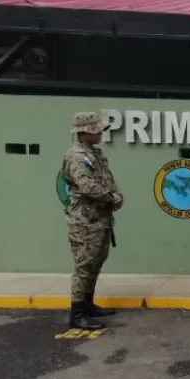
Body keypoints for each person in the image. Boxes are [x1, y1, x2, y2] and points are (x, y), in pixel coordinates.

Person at [60, 112, 123, 330]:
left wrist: (116, 194)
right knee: (84, 265)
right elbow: (87, 186)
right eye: (96, 130)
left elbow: (108, 179)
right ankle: (77, 313)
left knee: (96, 260)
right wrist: (111, 197)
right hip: (85, 220)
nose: (100, 134)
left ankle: (87, 305)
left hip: (100, 217)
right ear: (85, 132)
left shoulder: (95, 154)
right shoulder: (77, 156)